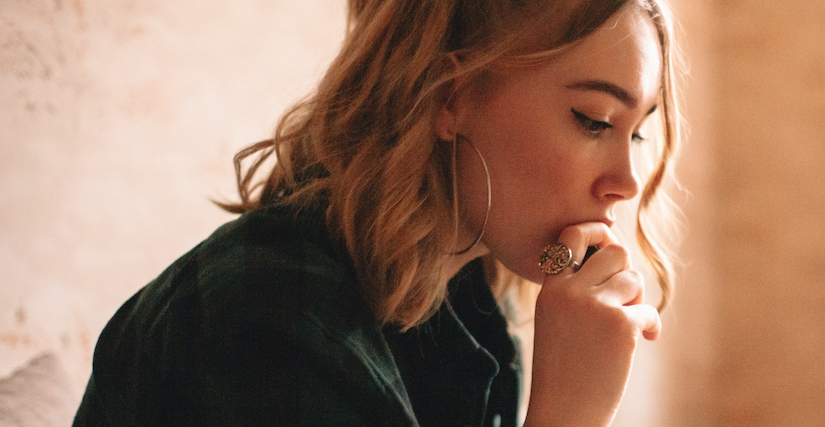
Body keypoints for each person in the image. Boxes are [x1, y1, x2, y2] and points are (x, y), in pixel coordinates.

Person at [72, 0, 682, 425]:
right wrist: (569, 417)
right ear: (452, 94)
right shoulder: (264, 317)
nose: (625, 183)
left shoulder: (467, 312)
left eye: (635, 134)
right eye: (595, 120)